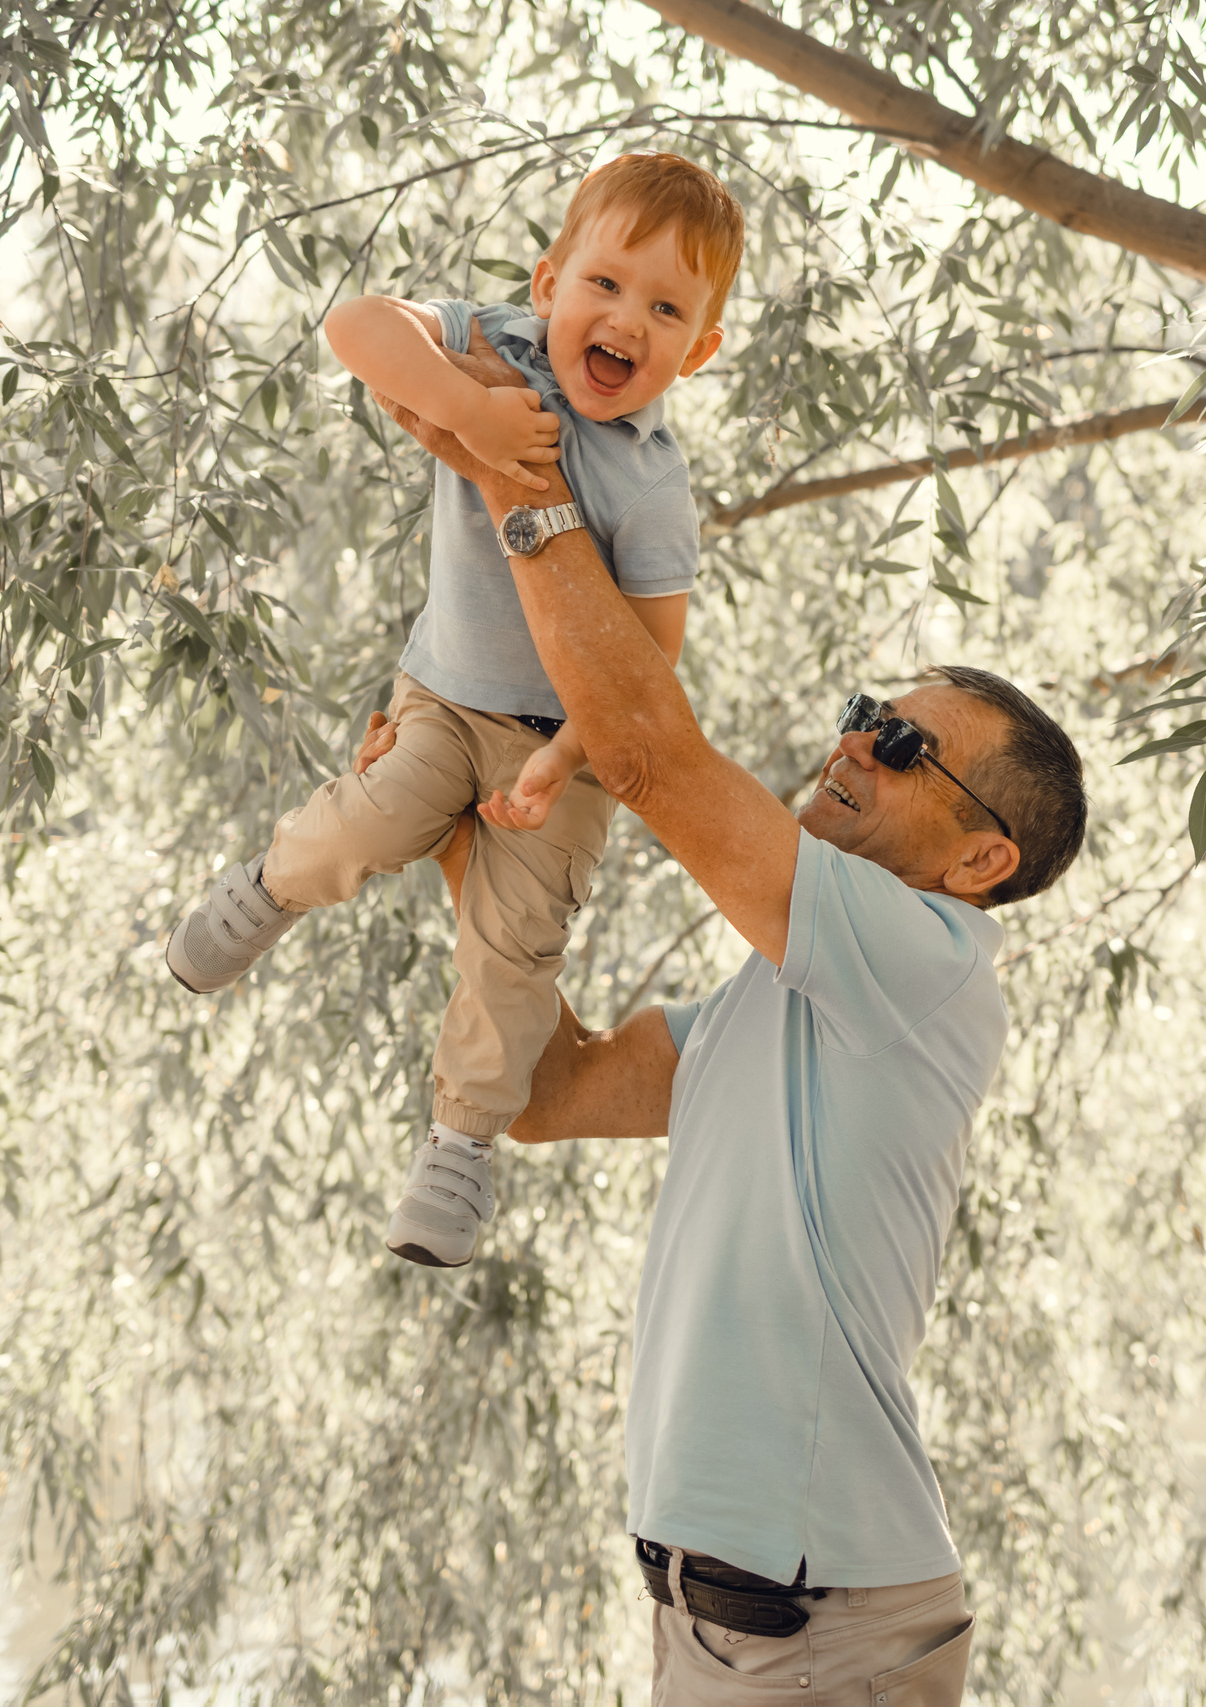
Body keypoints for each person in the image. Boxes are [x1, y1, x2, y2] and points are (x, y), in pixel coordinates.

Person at [364, 337, 1090, 1704]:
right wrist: (464, 819)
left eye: (904, 744)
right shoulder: (789, 993)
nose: (854, 743)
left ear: (981, 858)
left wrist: (520, 483)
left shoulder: (932, 956)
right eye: (870, 714)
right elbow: (553, 1091)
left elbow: (644, 753)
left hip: (818, 1623)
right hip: (728, 1619)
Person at [163, 154, 746, 1271]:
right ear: (547, 284)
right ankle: (271, 885)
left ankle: (460, 1146)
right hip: (442, 696)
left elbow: (650, 664)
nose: (627, 319)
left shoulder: (652, 483)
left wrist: (566, 757)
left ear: (699, 350)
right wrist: (464, 408)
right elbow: (356, 324)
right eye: (606, 285)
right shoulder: (499, 348)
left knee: (514, 952)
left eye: (667, 309)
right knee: (374, 818)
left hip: (557, 753)